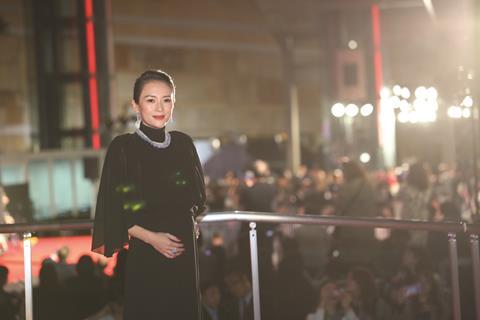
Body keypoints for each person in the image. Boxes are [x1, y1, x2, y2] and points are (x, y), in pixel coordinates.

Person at [91, 69, 207, 319]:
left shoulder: (184, 144)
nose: (160, 107)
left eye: (167, 99)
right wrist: (153, 239)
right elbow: (115, 208)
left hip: (185, 258)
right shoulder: (123, 148)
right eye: (150, 100)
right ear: (136, 105)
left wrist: (193, 222)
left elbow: (195, 199)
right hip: (147, 254)